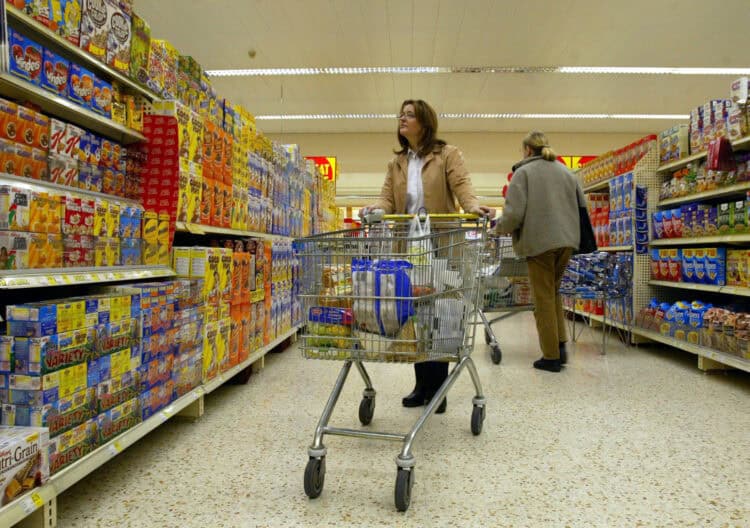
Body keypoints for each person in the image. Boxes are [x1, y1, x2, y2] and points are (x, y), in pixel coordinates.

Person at [362, 99, 494, 413]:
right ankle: (421, 385)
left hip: (442, 246)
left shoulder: (447, 155)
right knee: (415, 314)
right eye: (401, 115)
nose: (402, 119)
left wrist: (473, 206)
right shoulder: (396, 163)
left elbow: (462, 186)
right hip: (408, 249)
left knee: (441, 315)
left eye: (409, 115)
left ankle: (439, 388)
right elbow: (386, 198)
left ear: (425, 121)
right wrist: (377, 209)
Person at [494, 131, 584, 372]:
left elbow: (513, 214)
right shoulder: (567, 172)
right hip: (567, 241)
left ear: (526, 150)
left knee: (542, 299)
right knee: (553, 293)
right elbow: (582, 207)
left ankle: (551, 356)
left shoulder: (522, 173)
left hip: (540, 243)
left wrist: (497, 229)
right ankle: (561, 344)